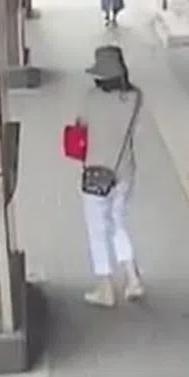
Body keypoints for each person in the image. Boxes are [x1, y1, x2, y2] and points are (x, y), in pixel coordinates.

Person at [76, 45, 144, 308]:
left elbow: (79, 126)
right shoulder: (136, 97)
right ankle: (132, 278)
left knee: (97, 229)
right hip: (124, 171)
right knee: (118, 222)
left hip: (96, 175)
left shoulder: (91, 99)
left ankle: (105, 287)